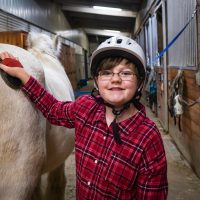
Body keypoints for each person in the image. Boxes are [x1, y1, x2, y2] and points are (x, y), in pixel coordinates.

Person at [0, 36, 168, 199]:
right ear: (96, 80)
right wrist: (24, 75)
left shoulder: (149, 138)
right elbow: (52, 109)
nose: (115, 79)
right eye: (107, 73)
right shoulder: (85, 107)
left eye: (125, 73)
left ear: (140, 82)